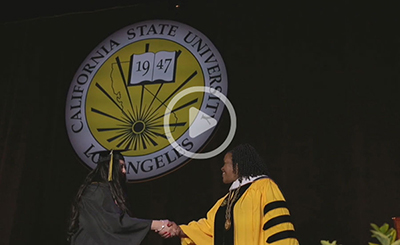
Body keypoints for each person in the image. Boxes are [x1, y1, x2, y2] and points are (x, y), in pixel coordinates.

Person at [169, 143, 299, 245]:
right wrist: (181, 230)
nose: (222, 168)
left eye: (225, 163)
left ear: (238, 166)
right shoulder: (225, 201)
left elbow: (279, 230)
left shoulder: (263, 187)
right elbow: (208, 228)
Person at [67, 150, 175, 244]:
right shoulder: (93, 192)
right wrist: (155, 224)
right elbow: (112, 224)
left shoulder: (111, 192)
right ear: (109, 168)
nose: (124, 171)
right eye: (121, 166)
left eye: (125, 167)